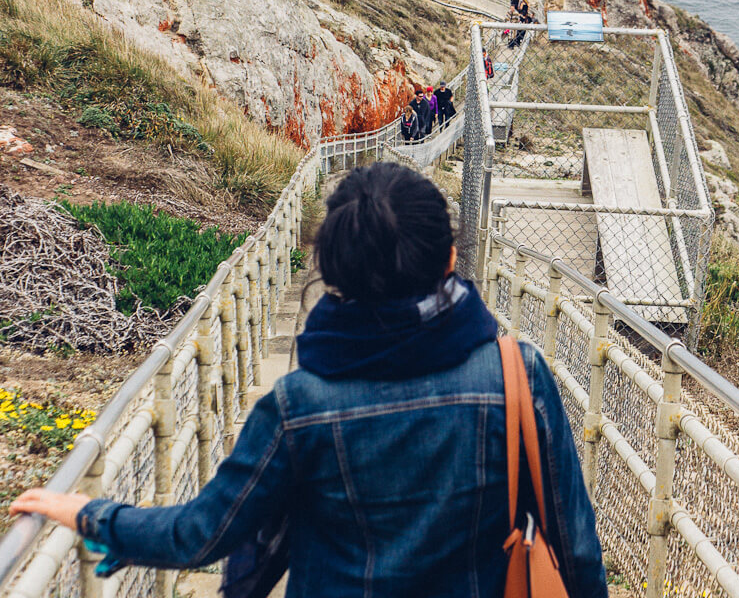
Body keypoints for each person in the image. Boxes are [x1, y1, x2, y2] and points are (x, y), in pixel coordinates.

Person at [10, 163, 607, 598]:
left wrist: (90, 512)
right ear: (451, 258)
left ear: (334, 274)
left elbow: (200, 534)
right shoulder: (515, 374)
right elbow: (575, 547)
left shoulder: (299, 406)